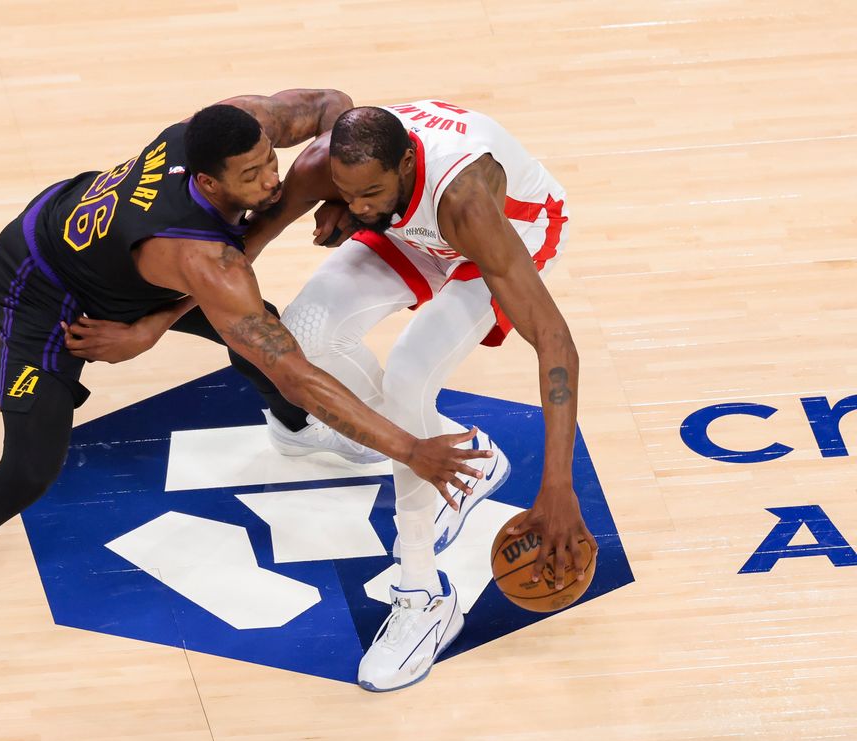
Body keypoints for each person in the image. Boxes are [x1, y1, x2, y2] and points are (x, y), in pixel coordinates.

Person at [0, 90, 492, 673]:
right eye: (253, 176)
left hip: (120, 256)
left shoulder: (231, 127)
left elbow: (333, 108)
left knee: (260, 324)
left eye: (272, 161)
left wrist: (329, 194)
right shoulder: (201, 259)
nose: (273, 182)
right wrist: (409, 450)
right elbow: (289, 368)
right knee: (28, 470)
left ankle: (296, 437)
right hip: (47, 289)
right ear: (208, 181)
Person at [78, 100, 600, 692]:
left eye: (369, 194)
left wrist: (559, 488)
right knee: (305, 330)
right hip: (415, 227)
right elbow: (240, 251)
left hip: (510, 233)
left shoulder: (467, 202)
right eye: (346, 196)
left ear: (405, 162)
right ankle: (464, 459)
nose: (357, 210)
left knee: (410, 374)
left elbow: (557, 344)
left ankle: (423, 595)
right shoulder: (333, 166)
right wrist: (155, 324)